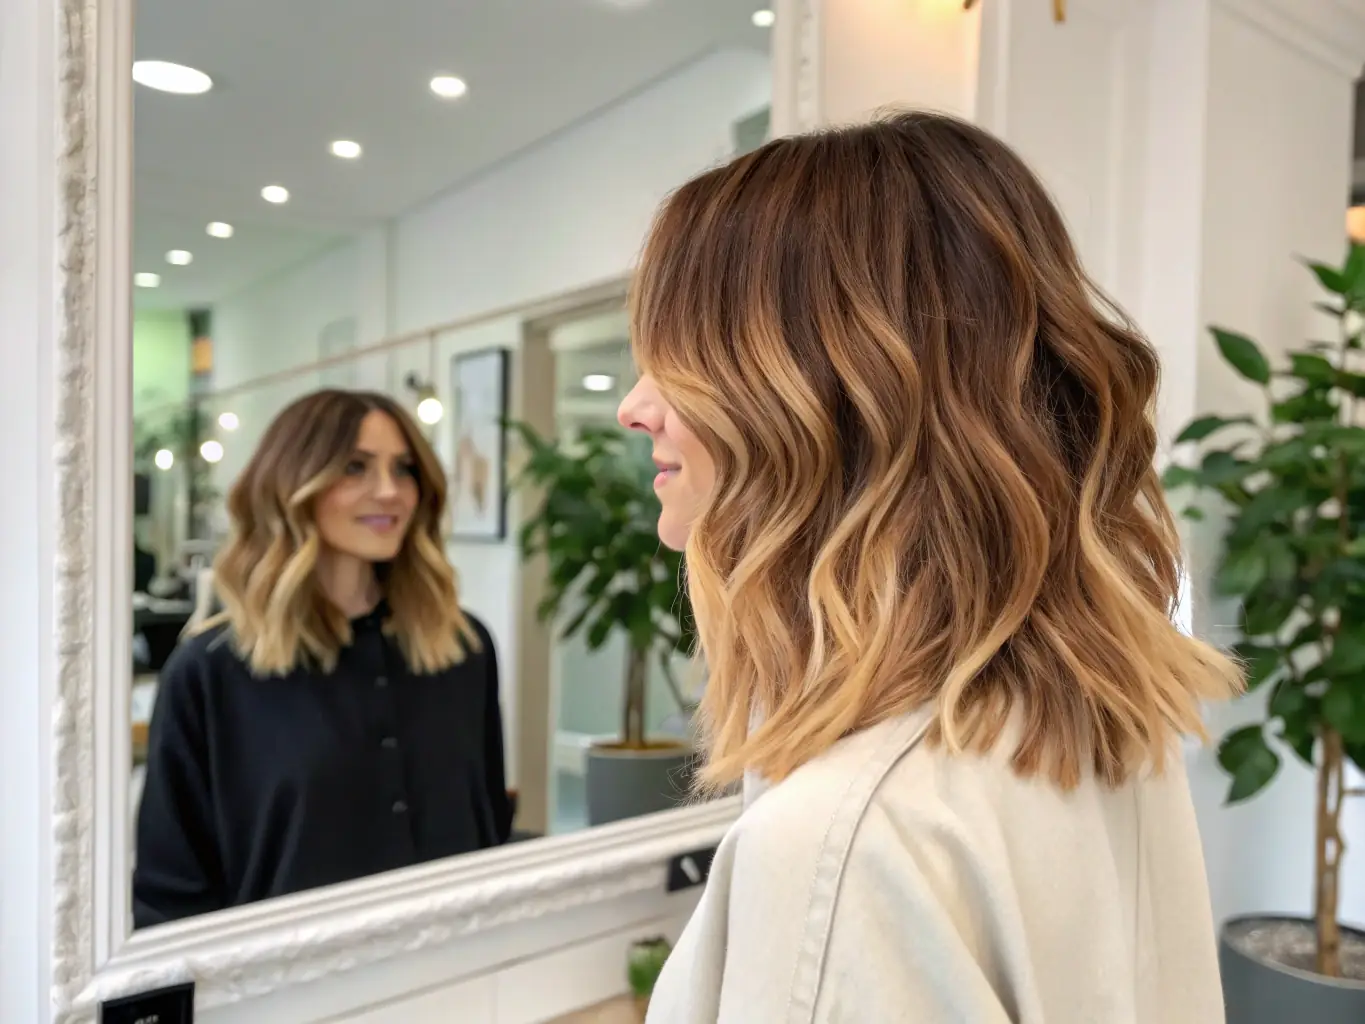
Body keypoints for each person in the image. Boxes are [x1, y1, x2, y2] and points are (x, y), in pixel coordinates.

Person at [617, 111, 1243, 1023]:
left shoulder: (849, 841)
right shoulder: (1088, 720)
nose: (635, 406)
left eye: (680, 357)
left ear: (818, 398)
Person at [133, 389, 512, 929]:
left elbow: (490, 838)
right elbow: (170, 896)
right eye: (355, 467)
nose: (389, 491)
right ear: (293, 485)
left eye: (403, 469)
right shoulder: (209, 673)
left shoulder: (464, 649)